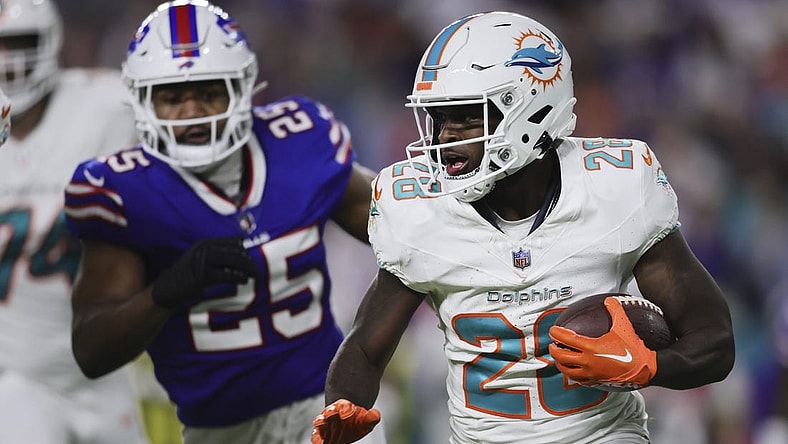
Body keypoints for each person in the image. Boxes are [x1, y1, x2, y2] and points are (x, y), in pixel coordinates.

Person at [312, 11, 735, 444]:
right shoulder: (421, 211)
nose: (444, 138)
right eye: (439, 118)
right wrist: (344, 405)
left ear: (532, 110)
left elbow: (714, 339)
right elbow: (364, 348)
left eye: (467, 116)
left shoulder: (616, 189)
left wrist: (650, 366)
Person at [63, 1, 382, 443]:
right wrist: (167, 292)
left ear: (242, 88)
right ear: (143, 100)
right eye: (172, 97)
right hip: (220, 430)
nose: (192, 111)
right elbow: (91, 350)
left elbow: (396, 229)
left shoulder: (300, 140)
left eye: (209, 92)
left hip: (326, 404)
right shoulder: (122, 190)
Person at [0, 0, 148, 442]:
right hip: (19, 377)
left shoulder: (106, 106)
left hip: (101, 367)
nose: (8, 61)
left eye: (18, 43)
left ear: (49, 40)